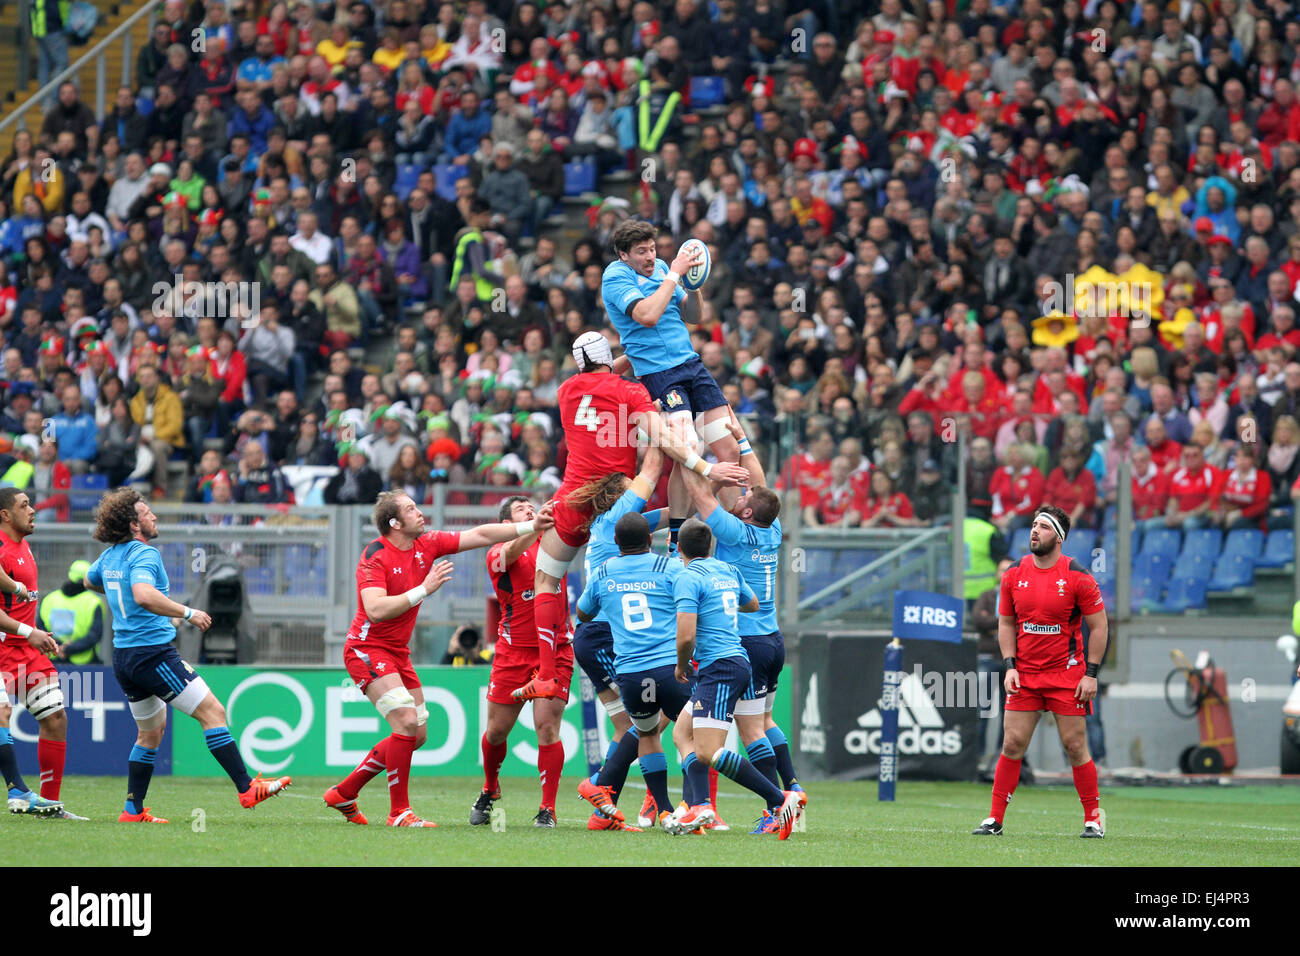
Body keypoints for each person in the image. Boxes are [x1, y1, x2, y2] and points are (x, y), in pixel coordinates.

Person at [509, 330, 746, 703]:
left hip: (573, 496)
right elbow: (660, 447)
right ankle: (674, 640)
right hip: (617, 495)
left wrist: (626, 357)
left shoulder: (566, 389)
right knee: (655, 465)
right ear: (610, 356)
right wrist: (706, 468)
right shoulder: (630, 392)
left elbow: (601, 374)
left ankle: (548, 674)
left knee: (545, 580)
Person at [322, 491, 555, 828]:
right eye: (411, 509)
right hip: (366, 648)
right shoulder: (375, 554)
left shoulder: (427, 543)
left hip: (398, 653)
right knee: (404, 721)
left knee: (416, 735)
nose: (420, 512)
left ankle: (345, 791)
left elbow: (480, 535)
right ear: (395, 523)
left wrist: (531, 525)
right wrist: (424, 590)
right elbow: (374, 609)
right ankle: (399, 812)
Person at [86, 488, 291, 823]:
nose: (154, 516)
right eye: (147, 512)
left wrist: (127, 598)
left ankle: (132, 810)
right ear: (134, 524)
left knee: (149, 733)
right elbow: (141, 594)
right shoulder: (144, 554)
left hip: (124, 657)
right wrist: (186, 612)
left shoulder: (110, 555)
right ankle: (246, 787)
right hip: (152, 654)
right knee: (213, 712)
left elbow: (90, 580)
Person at [680, 416, 806, 835]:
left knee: (749, 729)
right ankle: (793, 787)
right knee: (766, 722)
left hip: (747, 642)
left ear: (746, 512)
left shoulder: (734, 533)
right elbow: (763, 489)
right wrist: (741, 438)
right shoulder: (772, 530)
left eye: (744, 496)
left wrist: (688, 456)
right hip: (773, 639)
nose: (742, 493)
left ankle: (777, 807)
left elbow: (699, 497)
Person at [601, 219, 744, 551]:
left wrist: (693, 284)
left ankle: (735, 528)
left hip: (691, 365)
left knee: (730, 450)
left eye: (652, 248)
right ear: (624, 254)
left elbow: (692, 316)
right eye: (641, 252)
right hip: (658, 374)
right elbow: (648, 316)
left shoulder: (664, 268)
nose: (650, 256)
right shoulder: (616, 277)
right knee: (689, 450)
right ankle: (678, 537)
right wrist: (674, 274)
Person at [973, 505, 1108, 838]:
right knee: (1012, 743)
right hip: (1026, 675)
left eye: (1043, 527)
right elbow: (1006, 623)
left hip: (1067, 675)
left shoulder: (1079, 576)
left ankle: (1093, 817)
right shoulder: (1014, 574)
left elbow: (1100, 626)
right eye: (1033, 525)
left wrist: (1091, 674)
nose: (1034, 531)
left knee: (1075, 746)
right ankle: (994, 819)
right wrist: (1010, 666)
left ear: (1058, 537)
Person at [669, 518, 805, 839]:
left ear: (680, 549)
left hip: (720, 666)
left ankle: (778, 798)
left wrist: (680, 664)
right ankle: (701, 806)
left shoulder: (688, 577)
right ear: (711, 546)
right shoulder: (727, 570)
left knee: (708, 751)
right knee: (681, 732)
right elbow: (752, 604)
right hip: (734, 660)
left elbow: (686, 635)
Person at [568, 444, 672, 831]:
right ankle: (600, 785)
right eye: (631, 489)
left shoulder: (611, 526)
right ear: (618, 496)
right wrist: (665, 431)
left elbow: (665, 517)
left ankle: (603, 812)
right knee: (652, 720)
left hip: (593, 637)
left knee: (627, 726)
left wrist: (692, 510)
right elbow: (653, 469)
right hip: (603, 637)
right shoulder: (616, 516)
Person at [574, 512, 696, 834]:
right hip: (670, 668)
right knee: (694, 731)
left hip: (630, 674)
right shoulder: (668, 567)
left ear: (616, 543)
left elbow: (583, 613)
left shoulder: (603, 572)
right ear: (649, 540)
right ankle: (693, 808)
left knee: (647, 734)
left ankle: (665, 807)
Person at [471, 495, 574, 830]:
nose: (530, 510)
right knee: (497, 731)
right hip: (513, 653)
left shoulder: (555, 544)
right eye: (521, 510)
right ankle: (490, 788)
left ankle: (548, 809)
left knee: (547, 727)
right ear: (507, 524)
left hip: (556, 650)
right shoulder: (500, 552)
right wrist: (533, 526)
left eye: (533, 507)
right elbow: (508, 554)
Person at [0, 488, 86, 818]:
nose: (33, 510)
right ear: (5, 515)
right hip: (5, 649)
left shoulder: (23, 545)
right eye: (24, 506)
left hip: (29, 650)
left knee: (55, 718)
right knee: (2, 716)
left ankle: (49, 805)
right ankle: (18, 791)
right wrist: (28, 632)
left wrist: (35, 632)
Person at [41, 559, 105, 666]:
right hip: (85, 664)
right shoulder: (94, 602)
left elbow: (41, 629)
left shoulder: (50, 599)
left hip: (53, 660)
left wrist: (59, 646)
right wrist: (69, 648)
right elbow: (95, 635)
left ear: (70, 574)